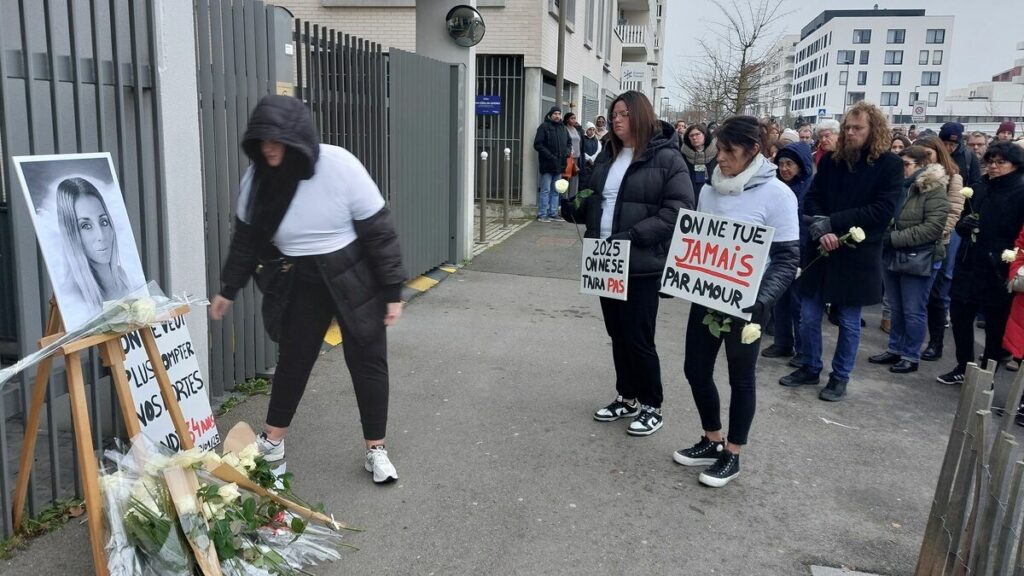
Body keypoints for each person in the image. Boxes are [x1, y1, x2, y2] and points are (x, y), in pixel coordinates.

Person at [210, 95, 406, 484]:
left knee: (367, 360)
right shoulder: (258, 181)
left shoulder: (339, 165)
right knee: (294, 360)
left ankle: (375, 449)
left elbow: (380, 232)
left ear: (298, 138)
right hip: (299, 278)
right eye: (262, 141)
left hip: (353, 274)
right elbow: (246, 241)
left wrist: (392, 291)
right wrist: (228, 289)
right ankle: (273, 442)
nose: (269, 148)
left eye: (277, 140)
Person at [674, 116, 799, 488]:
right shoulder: (709, 191)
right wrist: (678, 273)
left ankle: (733, 452)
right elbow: (696, 243)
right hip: (707, 297)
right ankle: (712, 439)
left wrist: (762, 300)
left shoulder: (778, 195)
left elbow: (788, 257)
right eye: (719, 150)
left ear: (754, 151)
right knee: (695, 370)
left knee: (741, 379)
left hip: (747, 305)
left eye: (729, 151)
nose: (721, 159)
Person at [565, 90, 692, 436]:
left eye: (623, 113)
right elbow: (596, 196)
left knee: (638, 337)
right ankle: (627, 396)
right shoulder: (608, 155)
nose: (616, 119)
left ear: (640, 115)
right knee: (617, 334)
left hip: (640, 263)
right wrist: (576, 206)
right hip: (604, 259)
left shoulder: (667, 158)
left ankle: (653, 404)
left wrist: (634, 235)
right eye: (613, 113)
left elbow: (678, 212)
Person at [780, 102, 901, 401]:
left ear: (874, 130)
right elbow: (813, 198)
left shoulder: (889, 165)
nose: (850, 132)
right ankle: (810, 366)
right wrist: (823, 226)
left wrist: (834, 223)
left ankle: (840, 376)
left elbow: (883, 210)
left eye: (857, 128)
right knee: (809, 315)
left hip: (857, 253)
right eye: (847, 127)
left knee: (848, 320)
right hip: (822, 247)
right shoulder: (834, 161)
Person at [937, 142, 1024, 385]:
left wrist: (1009, 258)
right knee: (960, 315)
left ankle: (986, 373)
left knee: (995, 324)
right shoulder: (981, 186)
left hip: (998, 267)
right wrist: (963, 226)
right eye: (990, 162)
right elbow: (964, 216)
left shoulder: (1020, 190)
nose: (993, 167)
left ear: (1015, 165)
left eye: (1000, 162)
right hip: (970, 262)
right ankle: (963, 365)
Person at [867, 146, 950, 374]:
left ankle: (910, 355)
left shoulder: (933, 190)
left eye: (907, 163)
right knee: (896, 307)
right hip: (893, 254)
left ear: (922, 165)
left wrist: (892, 238)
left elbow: (932, 228)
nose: (902, 168)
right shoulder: (898, 186)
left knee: (913, 309)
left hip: (919, 257)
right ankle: (895, 348)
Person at [761, 140, 814, 362]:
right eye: (781, 163)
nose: (784, 168)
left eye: (790, 164)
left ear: (801, 165)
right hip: (777, 250)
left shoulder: (810, 188)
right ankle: (783, 343)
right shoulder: (776, 187)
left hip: (801, 251)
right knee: (778, 300)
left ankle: (803, 351)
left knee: (797, 304)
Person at [914, 137, 965, 362]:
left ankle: (936, 342)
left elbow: (954, 211)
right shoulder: (916, 176)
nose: (925, 159)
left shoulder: (953, 177)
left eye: (929, 153)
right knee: (915, 293)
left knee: (938, 292)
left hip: (941, 240)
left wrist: (935, 232)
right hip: (916, 239)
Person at [56, 177, 133, 313]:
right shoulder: (72, 295)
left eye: (103, 222)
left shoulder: (122, 275)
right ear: (71, 234)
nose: (101, 236)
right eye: (86, 226)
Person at [534, 105, 570, 222]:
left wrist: (567, 152)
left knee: (556, 191)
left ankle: (553, 213)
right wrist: (549, 156)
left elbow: (569, 142)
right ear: (550, 115)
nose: (557, 116)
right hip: (547, 164)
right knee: (545, 190)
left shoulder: (563, 128)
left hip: (559, 165)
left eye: (559, 114)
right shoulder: (544, 127)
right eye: (555, 114)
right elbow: (538, 144)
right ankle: (542, 214)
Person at [680, 124, 717, 204]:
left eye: (697, 134)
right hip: (690, 194)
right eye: (691, 135)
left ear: (705, 135)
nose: (694, 138)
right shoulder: (682, 155)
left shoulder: (717, 153)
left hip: (713, 194)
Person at [939, 122, 981, 187]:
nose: (947, 148)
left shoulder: (969, 157)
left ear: (959, 144)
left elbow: (975, 182)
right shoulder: (934, 155)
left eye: (952, 145)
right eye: (944, 144)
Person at [564, 112, 585, 205]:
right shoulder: (564, 129)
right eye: (572, 118)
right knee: (566, 179)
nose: (574, 120)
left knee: (575, 180)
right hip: (568, 157)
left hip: (577, 157)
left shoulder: (576, 129)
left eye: (575, 118)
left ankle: (572, 201)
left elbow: (580, 142)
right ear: (567, 119)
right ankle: (564, 201)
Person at [579, 121, 602, 191]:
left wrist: (592, 158)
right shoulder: (582, 139)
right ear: (586, 130)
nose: (591, 131)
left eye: (593, 129)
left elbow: (599, 150)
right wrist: (589, 158)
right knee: (583, 183)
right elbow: (581, 150)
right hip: (584, 164)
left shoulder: (596, 140)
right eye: (589, 129)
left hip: (593, 165)